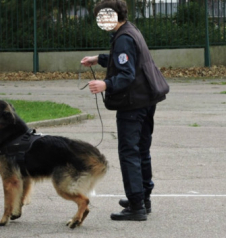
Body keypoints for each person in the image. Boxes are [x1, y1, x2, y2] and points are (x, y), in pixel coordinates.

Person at [81, 0, 168, 221]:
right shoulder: (130, 30)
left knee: (129, 152)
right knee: (141, 151)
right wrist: (98, 59)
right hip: (146, 100)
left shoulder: (123, 39)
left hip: (133, 104)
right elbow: (127, 61)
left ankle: (136, 206)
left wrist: (105, 85)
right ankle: (143, 199)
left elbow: (127, 74)